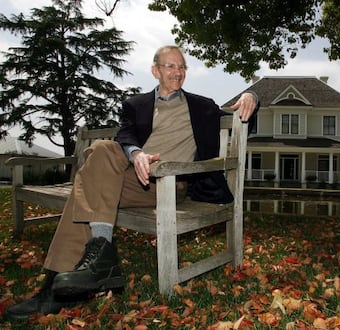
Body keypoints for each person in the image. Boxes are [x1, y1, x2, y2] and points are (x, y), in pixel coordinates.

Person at [4, 45, 259, 321]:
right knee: (102, 149)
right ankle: (98, 256)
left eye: (182, 66)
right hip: (132, 177)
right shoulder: (135, 104)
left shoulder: (201, 106)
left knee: (85, 188)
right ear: (155, 71)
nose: (178, 71)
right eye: (170, 66)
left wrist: (252, 95)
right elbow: (125, 135)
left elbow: (242, 118)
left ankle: (52, 291)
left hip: (167, 185)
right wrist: (136, 154)